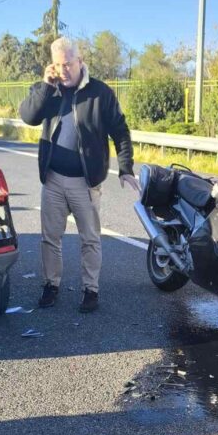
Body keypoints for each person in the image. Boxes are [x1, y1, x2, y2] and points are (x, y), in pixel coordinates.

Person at [19, 37, 138, 313]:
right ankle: (51, 285)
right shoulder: (47, 91)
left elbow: (120, 131)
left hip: (85, 182)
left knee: (90, 239)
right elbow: (29, 116)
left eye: (68, 64)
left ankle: (90, 290)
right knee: (50, 238)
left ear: (80, 62)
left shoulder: (100, 93)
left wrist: (125, 167)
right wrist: (46, 87)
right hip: (53, 179)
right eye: (58, 65)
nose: (63, 71)